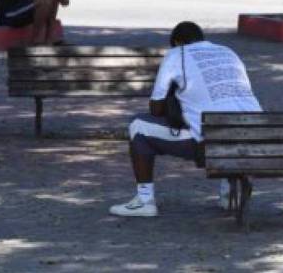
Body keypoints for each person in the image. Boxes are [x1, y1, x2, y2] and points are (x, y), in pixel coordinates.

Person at [110, 22, 263, 218]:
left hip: (209, 146)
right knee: (228, 124)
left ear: (177, 42)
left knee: (138, 126)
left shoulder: (177, 54)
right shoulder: (229, 52)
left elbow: (155, 109)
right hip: (254, 140)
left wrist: (175, 98)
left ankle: (144, 200)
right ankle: (228, 196)